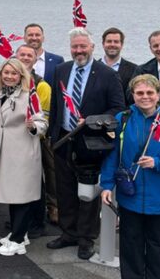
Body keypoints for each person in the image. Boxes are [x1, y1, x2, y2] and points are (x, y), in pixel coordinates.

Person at [99, 74, 160, 279]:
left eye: (150, 92)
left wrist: (158, 162)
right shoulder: (122, 119)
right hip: (130, 198)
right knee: (130, 248)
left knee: (159, 251)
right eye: (139, 93)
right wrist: (106, 185)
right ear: (132, 95)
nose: (145, 97)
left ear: (159, 94)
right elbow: (112, 155)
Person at [47, 27, 125, 260]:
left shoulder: (107, 74)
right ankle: (68, 232)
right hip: (63, 139)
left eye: (83, 46)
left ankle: (86, 238)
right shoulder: (60, 70)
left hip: (91, 143)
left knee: (88, 194)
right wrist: (52, 137)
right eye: (75, 47)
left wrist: (93, 121)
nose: (78, 51)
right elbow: (55, 106)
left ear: (92, 47)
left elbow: (118, 109)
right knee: (65, 189)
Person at [0, 58, 49, 256]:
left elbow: (42, 121)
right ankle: (19, 233)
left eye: (13, 73)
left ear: (21, 76)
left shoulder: (28, 96)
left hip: (23, 152)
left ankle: (17, 241)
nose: (9, 76)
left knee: (22, 196)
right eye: (5, 72)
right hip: (5, 152)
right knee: (13, 196)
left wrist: (34, 126)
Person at [14, 43, 56, 232]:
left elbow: (44, 117)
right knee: (20, 181)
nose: (24, 58)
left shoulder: (42, 85)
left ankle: (37, 222)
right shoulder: (11, 81)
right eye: (21, 54)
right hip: (15, 141)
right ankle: (22, 219)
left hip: (34, 141)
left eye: (29, 55)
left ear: (35, 58)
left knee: (36, 183)